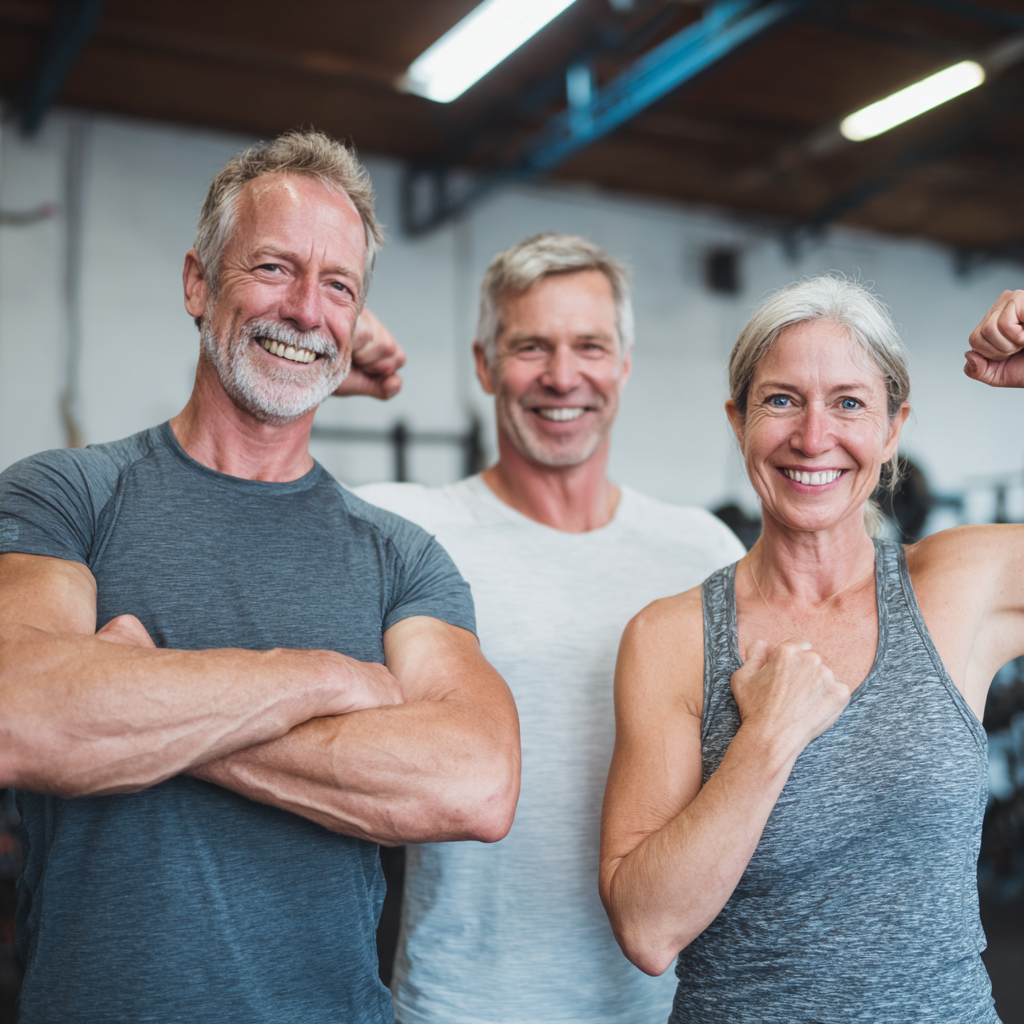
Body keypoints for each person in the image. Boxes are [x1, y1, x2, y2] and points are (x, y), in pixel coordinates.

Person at [0, 129, 519, 1024]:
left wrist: (136, 702)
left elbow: (473, 780)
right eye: (275, 268)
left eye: (339, 287)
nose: (308, 310)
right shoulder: (70, 496)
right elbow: (23, 714)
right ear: (199, 282)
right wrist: (331, 679)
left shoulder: (399, 555)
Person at [599, 275, 1024, 1023]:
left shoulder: (958, 585)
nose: (813, 436)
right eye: (781, 399)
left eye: (850, 403)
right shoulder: (673, 638)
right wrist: (766, 739)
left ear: (893, 429)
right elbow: (647, 927)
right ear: (738, 422)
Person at [355, 233, 745, 1024]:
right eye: (531, 346)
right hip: (464, 1004)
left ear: (624, 365)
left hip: (667, 1002)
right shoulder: (407, 529)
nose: (562, 377)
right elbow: (242, 513)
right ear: (484, 363)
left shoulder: (702, 549)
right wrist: (317, 362)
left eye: (589, 346)